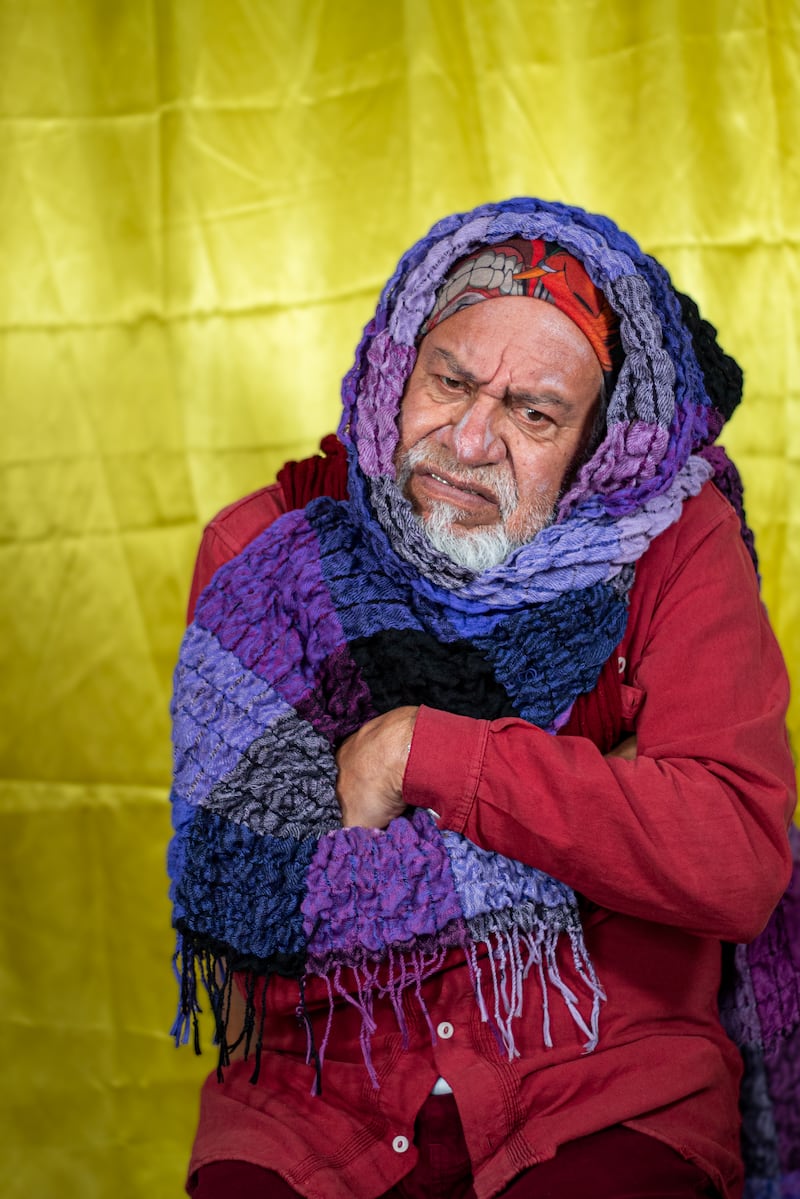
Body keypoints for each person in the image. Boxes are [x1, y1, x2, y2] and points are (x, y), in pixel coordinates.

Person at [168, 199, 797, 1199]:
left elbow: (729, 857)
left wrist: (418, 754)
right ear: (393, 370)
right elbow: (244, 895)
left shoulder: (671, 546)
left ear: (592, 445)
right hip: (319, 1105)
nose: (467, 438)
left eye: (532, 411)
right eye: (448, 380)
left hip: (599, 1090)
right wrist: (601, 814)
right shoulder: (265, 557)